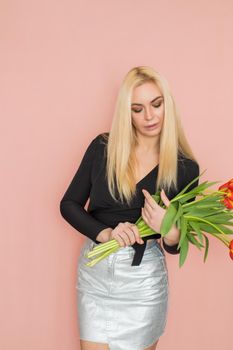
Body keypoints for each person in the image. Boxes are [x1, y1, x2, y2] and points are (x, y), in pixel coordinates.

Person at [60, 66, 200, 350]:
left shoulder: (185, 168)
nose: (149, 116)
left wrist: (169, 230)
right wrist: (105, 234)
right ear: (127, 113)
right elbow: (69, 204)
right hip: (96, 272)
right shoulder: (103, 148)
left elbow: (176, 244)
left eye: (156, 105)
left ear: (167, 105)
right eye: (137, 109)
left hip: (143, 281)